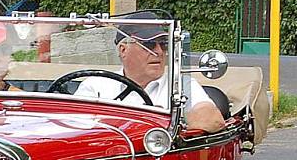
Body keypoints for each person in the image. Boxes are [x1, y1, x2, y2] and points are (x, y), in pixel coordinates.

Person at [74, 12, 226, 133]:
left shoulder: (180, 86)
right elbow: (74, 128)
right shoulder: (96, 86)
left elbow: (213, 120)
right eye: (149, 44)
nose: (159, 52)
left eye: (164, 44)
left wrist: (173, 122)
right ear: (123, 50)